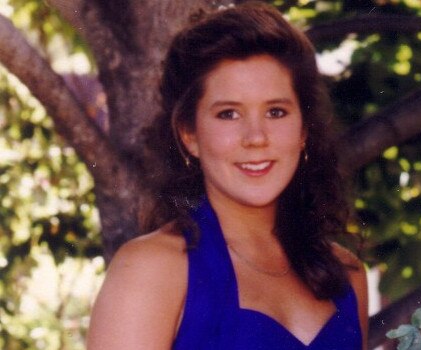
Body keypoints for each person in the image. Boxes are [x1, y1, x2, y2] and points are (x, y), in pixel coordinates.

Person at [87, 3, 368, 349]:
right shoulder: (152, 270)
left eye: (276, 111)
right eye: (229, 114)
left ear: (304, 130)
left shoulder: (346, 275)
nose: (256, 137)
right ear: (190, 135)